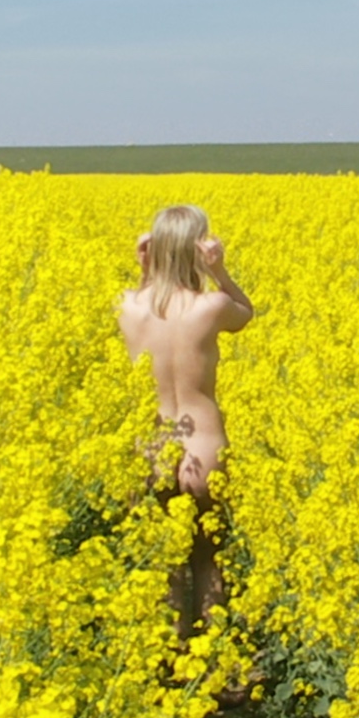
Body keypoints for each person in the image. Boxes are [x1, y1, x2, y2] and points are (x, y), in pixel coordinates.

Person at [117, 204, 254, 632]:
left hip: (153, 443)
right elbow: (244, 312)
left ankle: (171, 659)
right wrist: (220, 270)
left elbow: (143, 306)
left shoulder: (127, 305)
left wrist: (146, 271)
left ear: (154, 251)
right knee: (207, 556)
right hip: (204, 444)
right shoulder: (211, 307)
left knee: (165, 555)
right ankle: (218, 665)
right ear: (199, 249)